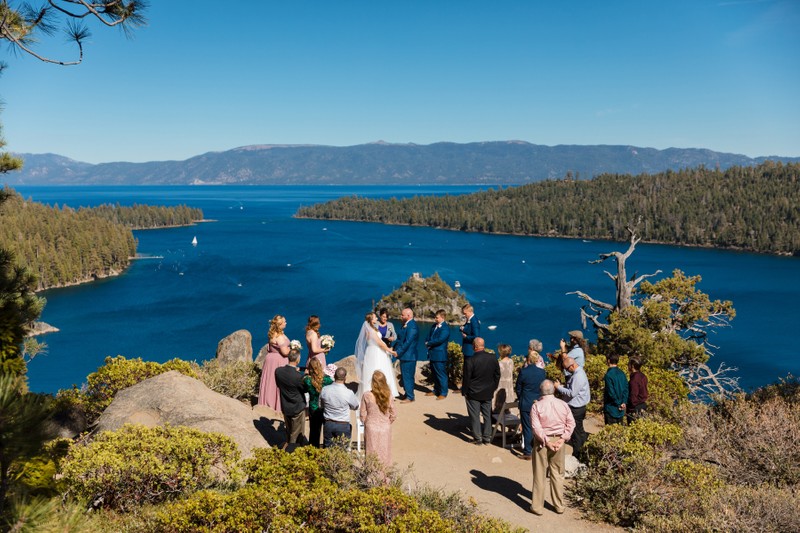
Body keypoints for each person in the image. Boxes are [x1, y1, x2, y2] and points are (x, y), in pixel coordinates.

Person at [530, 379, 575, 516]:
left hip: (542, 442)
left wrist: (546, 441)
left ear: (540, 391)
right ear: (554, 390)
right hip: (559, 441)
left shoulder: (536, 406)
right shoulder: (563, 404)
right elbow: (571, 423)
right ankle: (559, 505)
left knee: (539, 474)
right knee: (557, 473)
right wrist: (563, 439)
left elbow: (536, 427)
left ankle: (537, 507)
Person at [462, 337, 500, 445]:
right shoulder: (492, 357)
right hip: (488, 391)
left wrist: (464, 391)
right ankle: (487, 437)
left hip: (473, 393)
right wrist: (493, 387)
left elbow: (466, 378)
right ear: (483, 345)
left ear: (474, 346)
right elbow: (497, 374)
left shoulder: (470, 360)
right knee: (487, 415)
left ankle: (477, 438)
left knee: (474, 416)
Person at [355, 312, 399, 399]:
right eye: (375, 318)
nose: (377, 319)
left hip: (370, 351)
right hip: (377, 352)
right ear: (371, 320)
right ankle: (379, 393)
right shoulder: (371, 330)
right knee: (380, 369)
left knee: (371, 370)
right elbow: (380, 343)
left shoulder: (370, 329)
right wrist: (390, 351)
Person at [359, 370, 397, 469]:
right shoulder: (389, 395)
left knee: (371, 452)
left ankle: (371, 478)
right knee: (385, 453)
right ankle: (385, 478)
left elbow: (362, 413)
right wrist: (387, 422)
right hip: (385, 427)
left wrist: (367, 421)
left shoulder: (367, 395)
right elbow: (393, 414)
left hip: (371, 427)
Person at [554, 356, 590, 458]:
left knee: (576, 433)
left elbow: (572, 393)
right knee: (579, 432)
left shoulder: (578, 376)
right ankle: (582, 452)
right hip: (578, 407)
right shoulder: (578, 373)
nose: (566, 371)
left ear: (572, 365)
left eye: (566, 368)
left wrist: (558, 387)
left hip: (576, 409)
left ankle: (578, 455)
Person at [515, 351, 546, 459]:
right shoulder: (542, 373)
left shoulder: (524, 372)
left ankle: (528, 452)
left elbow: (518, 388)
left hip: (526, 403)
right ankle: (538, 449)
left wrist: (521, 397)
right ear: (537, 360)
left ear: (528, 360)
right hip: (538, 403)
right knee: (537, 427)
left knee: (527, 428)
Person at [257, 314, 291, 412]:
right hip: (278, 361)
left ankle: (267, 402)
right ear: (280, 324)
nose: (286, 323)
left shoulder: (272, 334)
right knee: (277, 383)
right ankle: (276, 406)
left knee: (269, 382)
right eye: (284, 322)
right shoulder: (279, 336)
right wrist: (293, 349)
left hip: (270, 360)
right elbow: (284, 352)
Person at [319, 367, 359, 448]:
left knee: (328, 450)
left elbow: (320, 405)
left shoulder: (325, 390)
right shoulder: (348, 393)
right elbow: (355, 406)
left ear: (334, 376)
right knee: (343, 451)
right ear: (345, 378)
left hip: (328, 423)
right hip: (343, 425)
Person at [274, 348, 307, 445]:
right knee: (296, 434)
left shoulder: (278, 371)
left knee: (289, 431)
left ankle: (288, 446)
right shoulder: (299, 377)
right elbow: (305, 389)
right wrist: (305, 376)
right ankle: (292, 453)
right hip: (297, 407)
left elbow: (278, 385)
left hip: (285, 406)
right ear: (297, 360)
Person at [304, 358, 333, 448]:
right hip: (325, 408)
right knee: (327, 431)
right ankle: (326, 448)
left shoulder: (307, 380)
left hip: (313, 407)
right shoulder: (327, 380)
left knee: (314, 432)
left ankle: (313, 450)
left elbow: (304, 390)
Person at [393, 307, 419, 403]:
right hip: (405, 356)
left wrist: (398, 352)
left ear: (408, 316)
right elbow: (400, 339)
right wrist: (394, 347)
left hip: (409, 356)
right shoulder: (405, 324)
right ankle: (408, 393)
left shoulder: (412, 326)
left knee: (408, 376)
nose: (401, 316)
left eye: (402, 315)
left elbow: (407, 342)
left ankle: (410, 397)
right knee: (405, 376)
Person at [424, 309, 450, 399]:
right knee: (434, 373)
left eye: (437, 317)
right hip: (432, 354)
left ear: (442, 317)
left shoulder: (445, 328)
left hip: (440, 355)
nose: (435, 319)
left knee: (441, 374)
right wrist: (426, 341)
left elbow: (440, 340)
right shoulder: (434, 326)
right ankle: (436, 390)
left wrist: (429, 343)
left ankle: (443, 393)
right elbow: (428, 336)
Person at [603, 353, 629, 425]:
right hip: (621, 410)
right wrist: (623, 402)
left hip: (611, 408)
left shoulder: (608, 375)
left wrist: (618, 404)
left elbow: (611, 393)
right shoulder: (622, 373)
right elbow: (626, 389)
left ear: (608, 361)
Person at [494, 343, 516, 411]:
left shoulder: (499, 363)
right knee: (507, 406)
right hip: (508, 386)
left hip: (500, 385)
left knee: (498, 405)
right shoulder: (511, 361)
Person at [627, 357, 649, 424]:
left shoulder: (634, 379)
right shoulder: (643, 376)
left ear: (632, 366)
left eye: (629, 364)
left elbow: (633, 395)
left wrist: (630, 408)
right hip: (643, 405)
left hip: (635, 408)